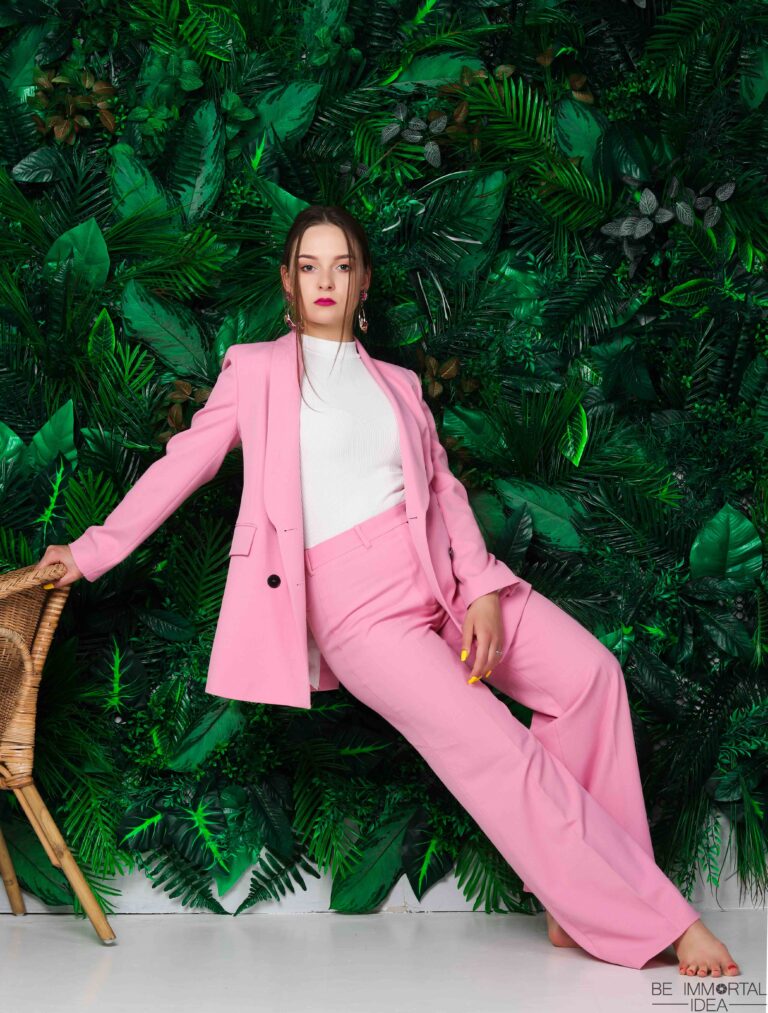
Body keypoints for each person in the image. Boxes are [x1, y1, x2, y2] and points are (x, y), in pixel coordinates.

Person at [39, 205, 740, 976]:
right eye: (309, 265)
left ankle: (583, 908)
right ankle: (657, 920)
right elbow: (183, 465)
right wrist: (89, 551)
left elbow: (443, 490)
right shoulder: (257, 370)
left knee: (590, 678)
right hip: (360, 613)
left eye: (342, 265)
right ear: (287, 281)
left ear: (364, 281)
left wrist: (480, 587)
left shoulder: (399, 384)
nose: (326, 280)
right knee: (501, 751)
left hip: (442, 576)